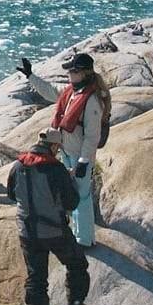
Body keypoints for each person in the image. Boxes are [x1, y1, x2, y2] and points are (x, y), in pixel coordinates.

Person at [7, 129, 98, 305]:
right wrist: (69, 180)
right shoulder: (56, 169)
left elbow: (11, 194)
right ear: (55, 147)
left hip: (27, 232)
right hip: (54, 231)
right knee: (77, 265)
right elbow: (72, 203)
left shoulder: (18, 166)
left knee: (36, 278)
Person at [17, 52, 109, 248]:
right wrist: (31, 76)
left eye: (73, 71)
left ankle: (85, 240)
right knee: (69, 194)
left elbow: (92, 136)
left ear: (84, 73)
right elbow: (50, 91)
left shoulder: (92, 101)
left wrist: (84, 162)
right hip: (66, 152)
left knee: (81, 197)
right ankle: (77, 234)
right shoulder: (71, 92)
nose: (69, 74)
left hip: (79, 156)